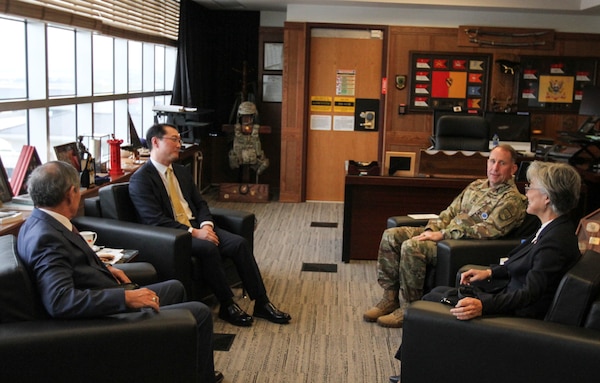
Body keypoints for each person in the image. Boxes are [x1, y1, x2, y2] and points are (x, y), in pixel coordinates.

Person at [17, 161, 223, 383]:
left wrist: (104, 268)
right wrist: (125, 298)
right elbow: (59, 300)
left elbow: (70, 266)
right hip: (100, 320)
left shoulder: (40, 222)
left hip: (102, 293)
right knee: (199, 313)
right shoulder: (47, 238)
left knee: (175, 287)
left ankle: (174, 368)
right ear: (71, 193)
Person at [389, 161, 582, 382]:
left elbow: (530, 294)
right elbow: (520, 262)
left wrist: (483, 306)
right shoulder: (552, 229)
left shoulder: (555, 241)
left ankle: (413, 374)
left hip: (517, 316)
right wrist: (490, 273)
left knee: (432, 302)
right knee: (436, 294)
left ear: (547, 197)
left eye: (531, 187)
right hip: (507, 295)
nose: (526, 192)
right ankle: (412, 370)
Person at [129, 123, 291, 327]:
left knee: (239, 243)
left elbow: (201, 203)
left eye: (180, 139)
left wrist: (206, 226)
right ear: (155, 141)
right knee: (208, 248)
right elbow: (155, 220)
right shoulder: (141, 179)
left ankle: (261, 301)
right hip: (172, 236)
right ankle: (227, 304)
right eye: (174, 139)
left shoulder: (181, 172)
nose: (179, 144)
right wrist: (194, 233)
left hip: (198, 226)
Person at [364, 144, 528, 328]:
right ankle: (390, 297)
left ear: (513, 169)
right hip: (442, 235)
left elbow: (487, 231)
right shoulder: (476, 185)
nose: (494, 168)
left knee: (412, 247)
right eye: (492, 161)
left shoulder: (511, 200)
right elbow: (448, 213)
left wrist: (442, 234)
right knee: (392, 236)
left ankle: (411, 307)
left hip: (461, 245)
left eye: (502, 163)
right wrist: (430, 231)